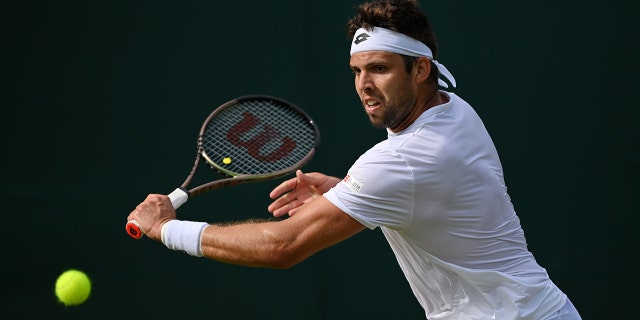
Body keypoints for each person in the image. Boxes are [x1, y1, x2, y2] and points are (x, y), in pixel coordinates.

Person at [127, 0, 582, 319]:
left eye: (379, 69)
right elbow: (419, 187)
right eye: (357, 71)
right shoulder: (451, 107)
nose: (364, 84)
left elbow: (281, 247)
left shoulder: (400, 161)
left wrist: (166, 229)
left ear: (419, 69)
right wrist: (345, 187)